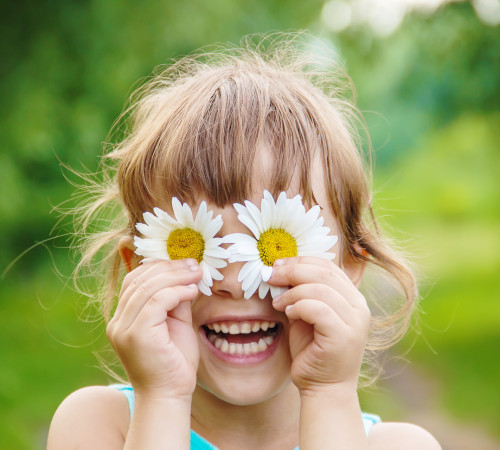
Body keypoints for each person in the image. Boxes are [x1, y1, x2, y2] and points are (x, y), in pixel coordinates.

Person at [46, 35, 441, 449]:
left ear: (349, 265)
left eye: (277, 246)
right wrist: (162, 397)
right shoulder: (98, 425)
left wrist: (329, 393)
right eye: (196, 245)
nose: (234, 281)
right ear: (137, 267)